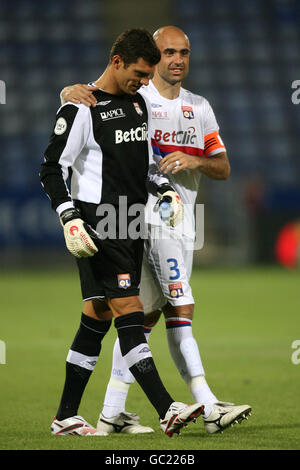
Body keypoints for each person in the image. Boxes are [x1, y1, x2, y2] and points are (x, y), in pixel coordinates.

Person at [60, 26, 252, 435]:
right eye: (169, 52)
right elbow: (89, 101)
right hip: (138, 219)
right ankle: (204, 404)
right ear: (153, 57)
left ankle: (109, 411)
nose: (177, 59)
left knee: (130, 315)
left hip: (184, 219)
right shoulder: (136, 94)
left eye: (184, 52)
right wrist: (66, 92)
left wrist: (194, 161)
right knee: (173, 310)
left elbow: (223, 167)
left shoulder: (198, 107)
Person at [40, 28, 206, 438]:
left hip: (132, 224)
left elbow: (146, 162)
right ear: (117, 62)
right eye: (139, 73)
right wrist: (69, 217)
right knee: (131, 314)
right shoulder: (80, 109)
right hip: (99, 226)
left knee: (96, 316)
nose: (145, 82)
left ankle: (66, 417)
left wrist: (164, 190)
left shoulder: (136, 104)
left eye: (149, 76)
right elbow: (51, 168)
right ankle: (168, 408)